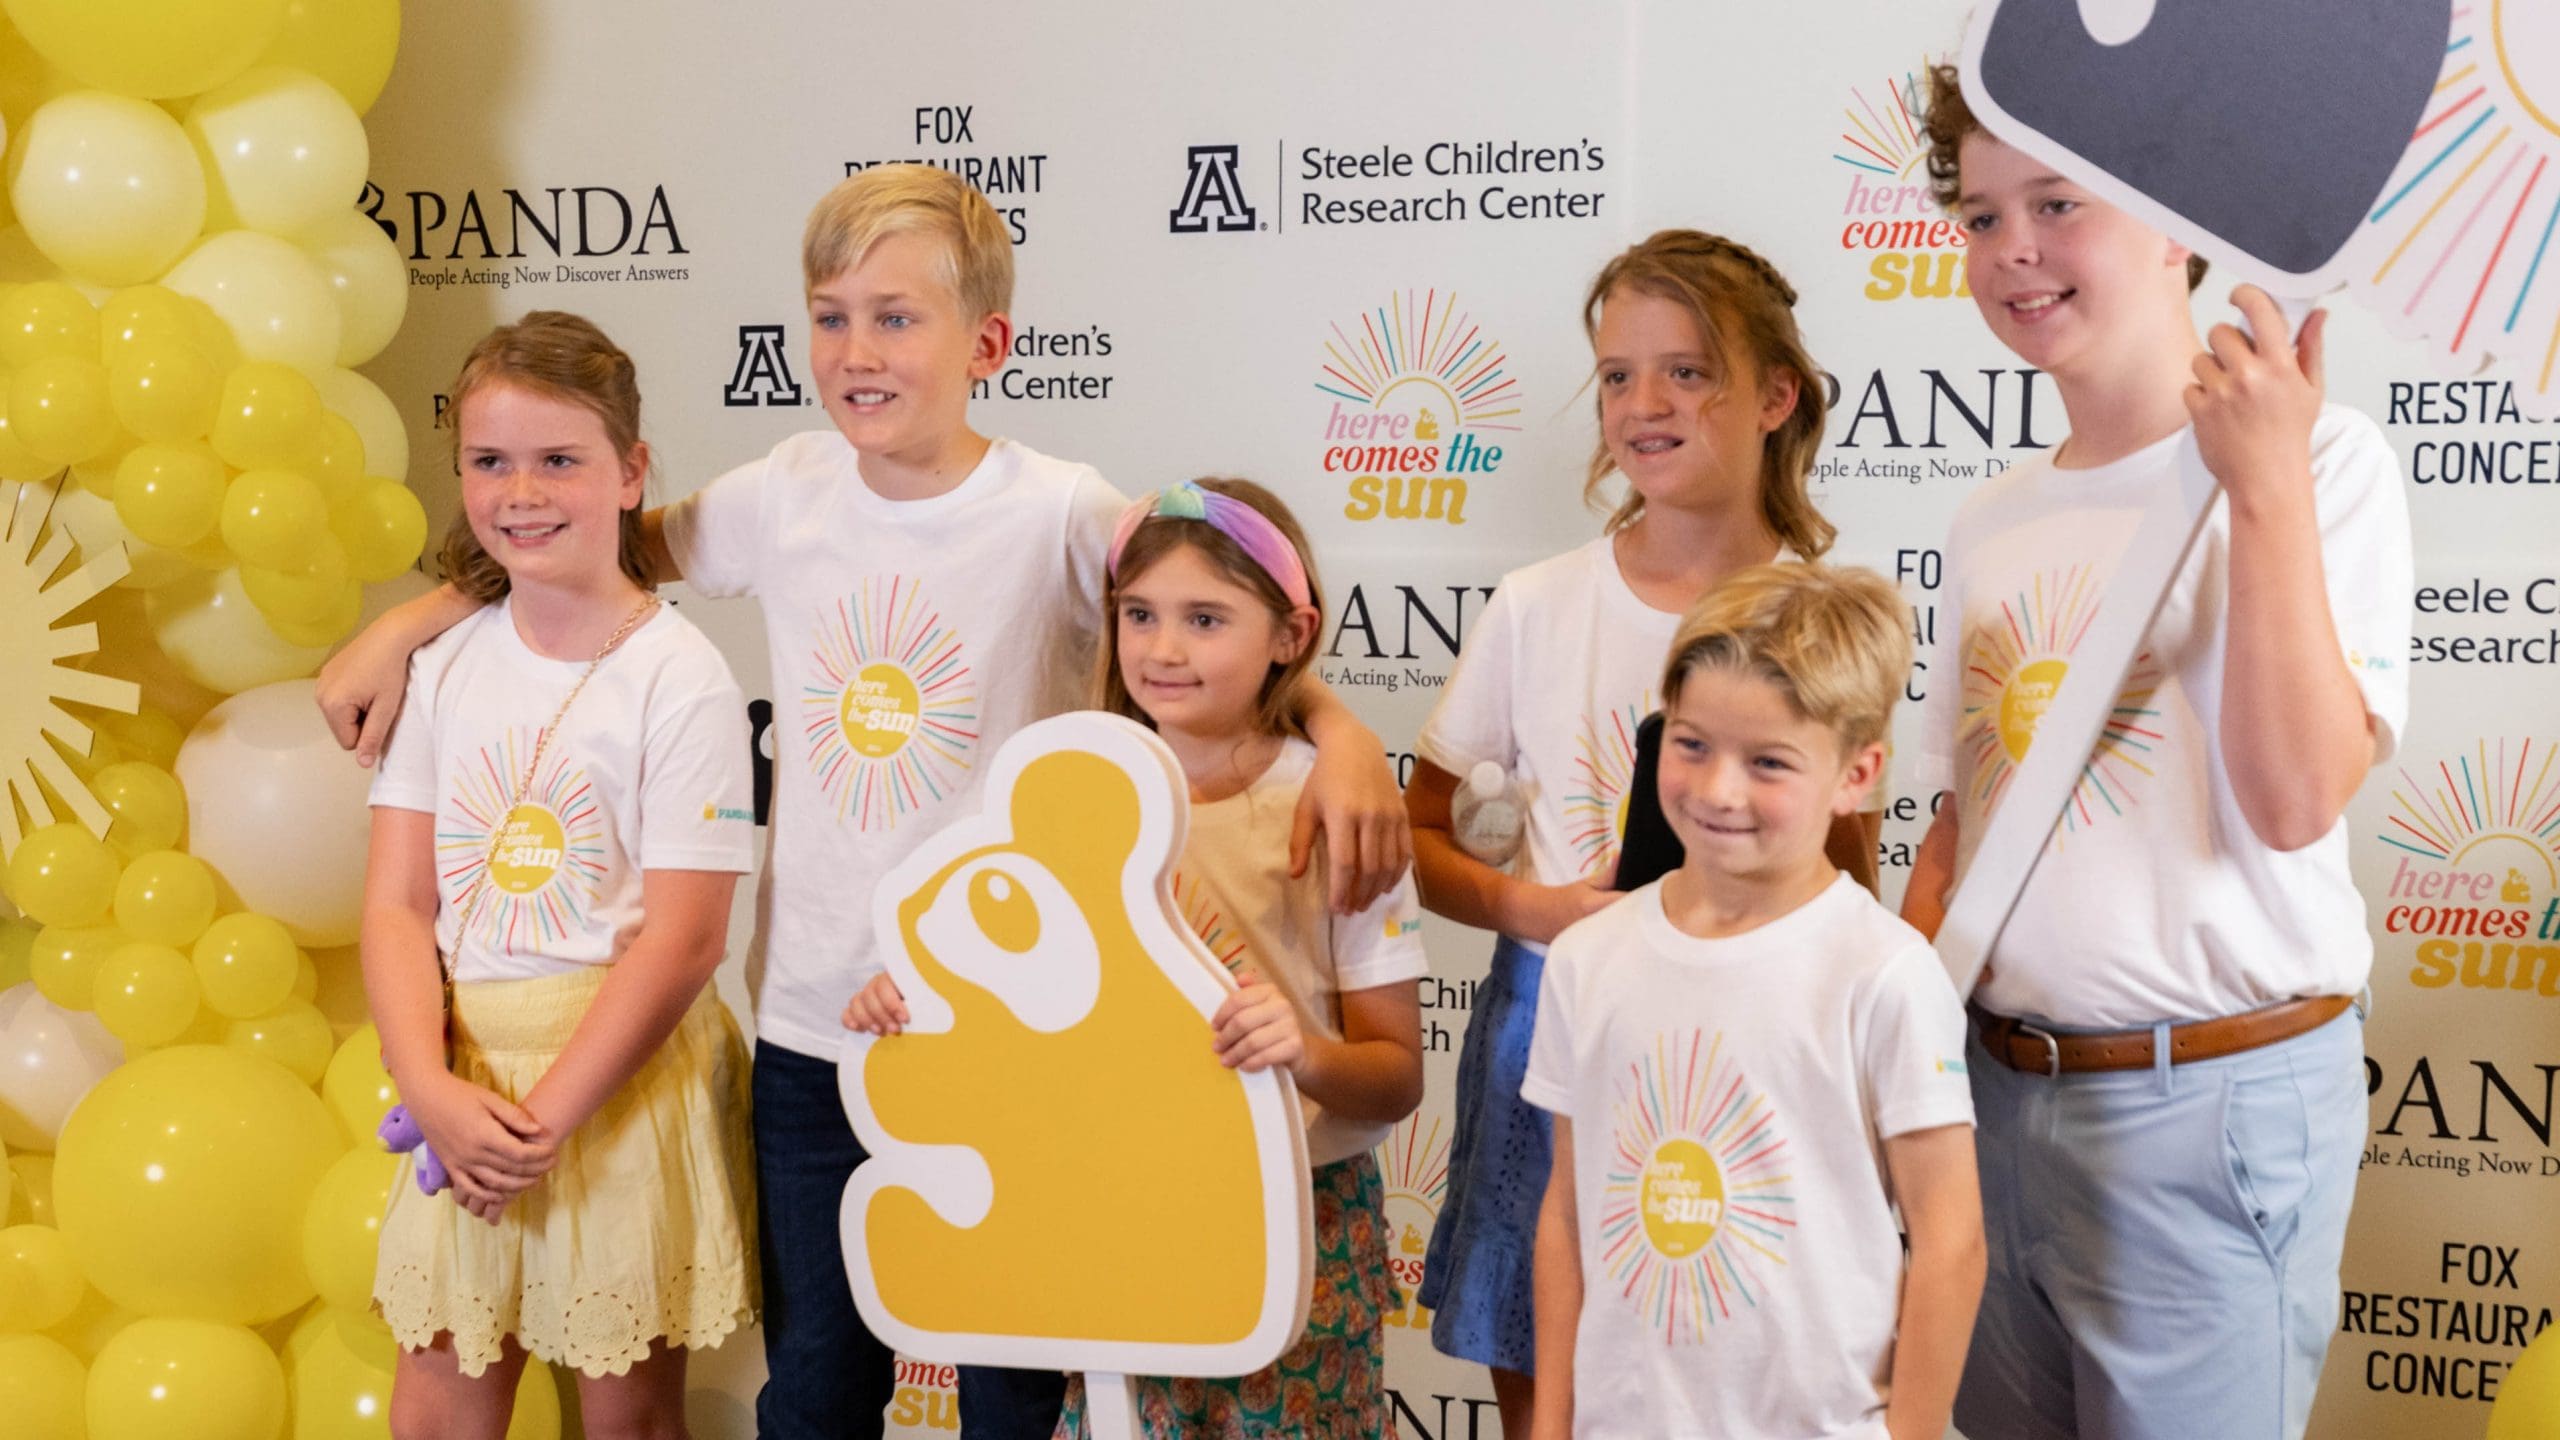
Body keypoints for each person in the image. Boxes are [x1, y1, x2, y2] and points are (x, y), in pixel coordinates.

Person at [321, 165, 1410, 1440]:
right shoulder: (781, 493)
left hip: (1017, 1032)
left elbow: (1216, 594)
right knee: (817, 1389)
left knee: (1012, 1392)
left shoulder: (1062, 510)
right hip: (813, 1030)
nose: (856, 352)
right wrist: (410, 621)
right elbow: (581, 544)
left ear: (986, 345)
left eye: (896, 317)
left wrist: (1338, 730)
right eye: (831, 317)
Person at [1901, 66, 2414, 1440]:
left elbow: (2294, 797)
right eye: (1981, 215)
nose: (2013, 248)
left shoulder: (2328, 464)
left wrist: (2264, 483)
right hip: (1993, 1099)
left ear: (2176, 221)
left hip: (2212, 1109)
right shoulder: (1989, 518)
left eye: (2057, 203)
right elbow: (1964, 822)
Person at [1403, 229, 1865, 1432]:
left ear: (1774, 397)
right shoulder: (1538, 605)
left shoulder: (1822, 620)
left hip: (1754, 1042)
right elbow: (1420, 830)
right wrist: (1530, 908)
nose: (1643, 404)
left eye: (1686, 372)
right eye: (1617, 375)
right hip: (1554, 1015)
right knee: (1538, 1353)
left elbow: (1851, 880)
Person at [850, 478, 1426, 1439]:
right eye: (1140, 614)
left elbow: (1397, 1074)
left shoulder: (1336, 810)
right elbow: (1019, 1004)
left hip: (1297, 1221)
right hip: (1115, 1217)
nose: (1163, 649)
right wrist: (908, 1002)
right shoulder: (1073, 806)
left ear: (1291, 634)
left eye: (1206, 619)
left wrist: (1306, 1055)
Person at [363, 312, 758, 1440]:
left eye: (559, 460)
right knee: (436, 1407)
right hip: (464, 1080)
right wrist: (431, 1090)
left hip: (616, 1083)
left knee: (626, 1413)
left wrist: (538, 1129)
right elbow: (396, 903)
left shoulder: (678, 678)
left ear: (630, 474)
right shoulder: (442, 665)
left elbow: (685, 939)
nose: (522, 493)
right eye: (490, 462)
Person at [1524, 562, 1982, 1440]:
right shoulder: (1588, 957)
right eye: (1691, 744)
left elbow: (1950, 1240)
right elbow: (1566, 1217)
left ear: (1856, 775)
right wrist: (1552, 1426)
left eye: (1768, 762)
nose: (1717, 790)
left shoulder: (1883, 971)